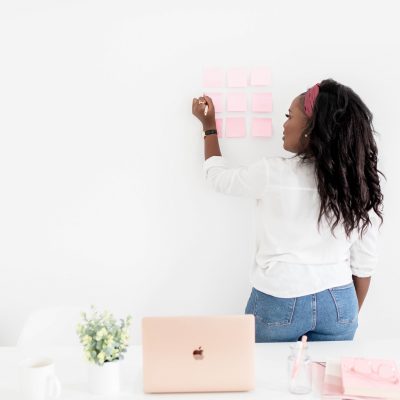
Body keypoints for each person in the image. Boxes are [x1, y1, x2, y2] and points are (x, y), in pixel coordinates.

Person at [192, 79, 384, 342]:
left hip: (279, 299)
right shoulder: (357, 184)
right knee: (324, 381)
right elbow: (364, 264)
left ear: (311, 128)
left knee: (262, 377)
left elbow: (218, 178)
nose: (283, 125)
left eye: (289, 116)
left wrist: (209, 127)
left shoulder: (272, 172)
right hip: (340, 301)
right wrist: (346, 314)